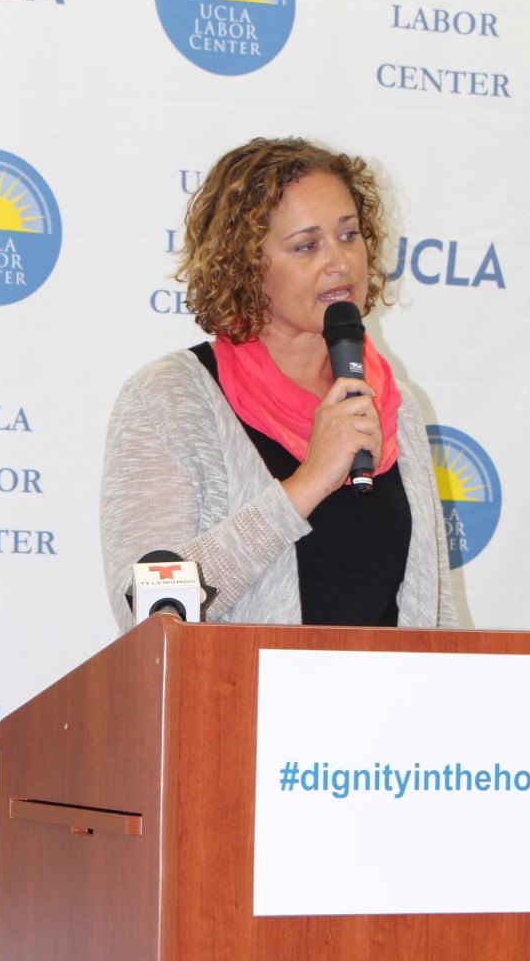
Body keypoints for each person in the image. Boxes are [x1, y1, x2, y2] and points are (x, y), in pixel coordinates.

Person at [100, 137, 456, 633]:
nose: (339, 261)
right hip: (238, 705)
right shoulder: (170, 398)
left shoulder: (392, 404)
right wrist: (305, 485)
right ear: (247, 265)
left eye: (349, 235)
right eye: (307, 245)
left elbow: (434, 612)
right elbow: (147, 608)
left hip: (387, 707)